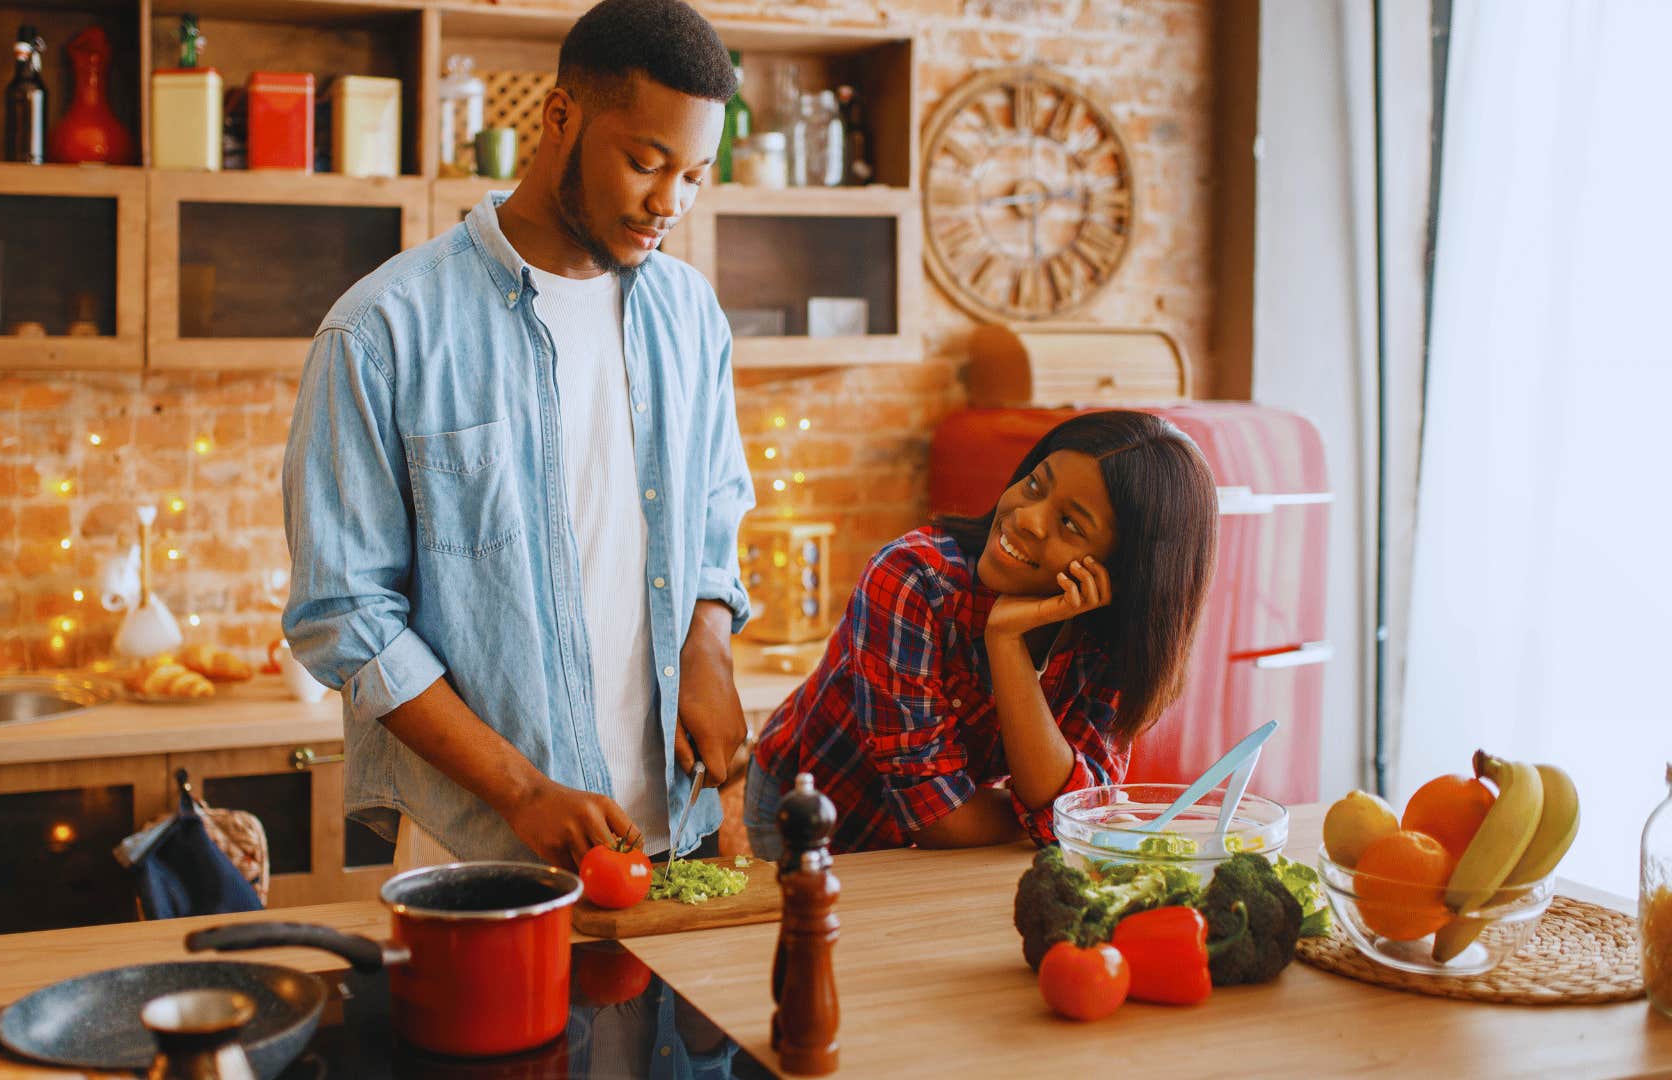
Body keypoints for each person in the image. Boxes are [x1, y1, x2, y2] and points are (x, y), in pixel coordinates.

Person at [281, 0, 753, 873]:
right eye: (646, 164)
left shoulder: (692, 315)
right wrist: (522, 791)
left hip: (676, 838)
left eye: (694, 174)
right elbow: (346, 617)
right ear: (560, 117)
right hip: (482, 855)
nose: (669, 203)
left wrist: (707, 645)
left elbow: (716, 514)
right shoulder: (383, 331)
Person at [745, 410, 1218, 859]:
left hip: (956, 828)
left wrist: (1007, 642)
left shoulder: (1114, 640)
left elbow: (1077, 814)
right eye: (1034, 485)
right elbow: (942, 820)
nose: (1027, 517)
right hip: (810, 806)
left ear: (1127, 571)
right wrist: (1042, 817)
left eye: (1070, 523)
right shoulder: (914, 578)